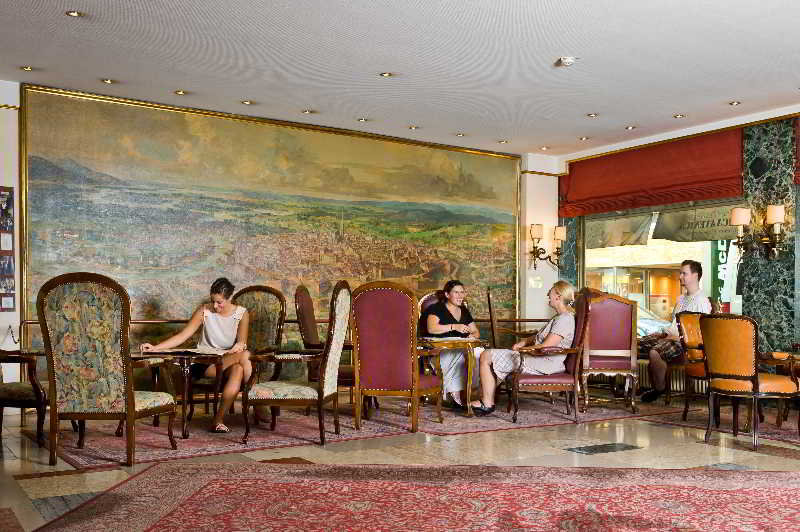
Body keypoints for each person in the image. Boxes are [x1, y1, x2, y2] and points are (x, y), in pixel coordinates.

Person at [141, 277, 251, 433]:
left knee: (239, 368)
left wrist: (239, 346)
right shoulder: (204, 310)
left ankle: (218, 420)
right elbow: (183, 335)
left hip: (226, 361)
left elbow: (242, 342)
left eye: (219, 302)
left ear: (230, 298)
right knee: (245, 355)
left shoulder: (242, 313)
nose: (215, 306)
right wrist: (155, 348)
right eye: (213, 301)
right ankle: (256, 400)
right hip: (204, 364)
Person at [469, 280, 576, 416]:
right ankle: (485, 399)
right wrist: (524, 342)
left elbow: (546, 346)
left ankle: (487, 403)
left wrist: (523, 351)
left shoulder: (565, 319)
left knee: (486, 355)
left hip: (545, 363)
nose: (548, 294)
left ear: (558, 296)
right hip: (538, 359)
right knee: (489, 356)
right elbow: (539, 337)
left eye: (551, 291)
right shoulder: (559, 317)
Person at [639, 260, 712, 403]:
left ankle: (659, 389)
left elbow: (700, 334)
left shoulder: (702, 302)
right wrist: (663, 334)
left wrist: (676, 338)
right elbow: (673, 324)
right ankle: (634, 386)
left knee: (655, 353)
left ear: (695, 275)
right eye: (680, 273)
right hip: (670, 337)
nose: (680, 277)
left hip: (683, 344)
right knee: (638, 344)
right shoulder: (681, 299)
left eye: (684, 273)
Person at [421, 280, 481, 409]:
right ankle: (454, 393)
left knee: (480, 354)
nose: (460, 296)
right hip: (438, 351)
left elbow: (476, 332)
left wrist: (472, 336)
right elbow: (432, 328)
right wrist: (454, 326)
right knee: (462, 355)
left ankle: (468, 391)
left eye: (462, 292)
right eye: (456, 292)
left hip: (461, 347)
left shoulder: (464, 310)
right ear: (447, 295)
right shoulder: (436, 308)